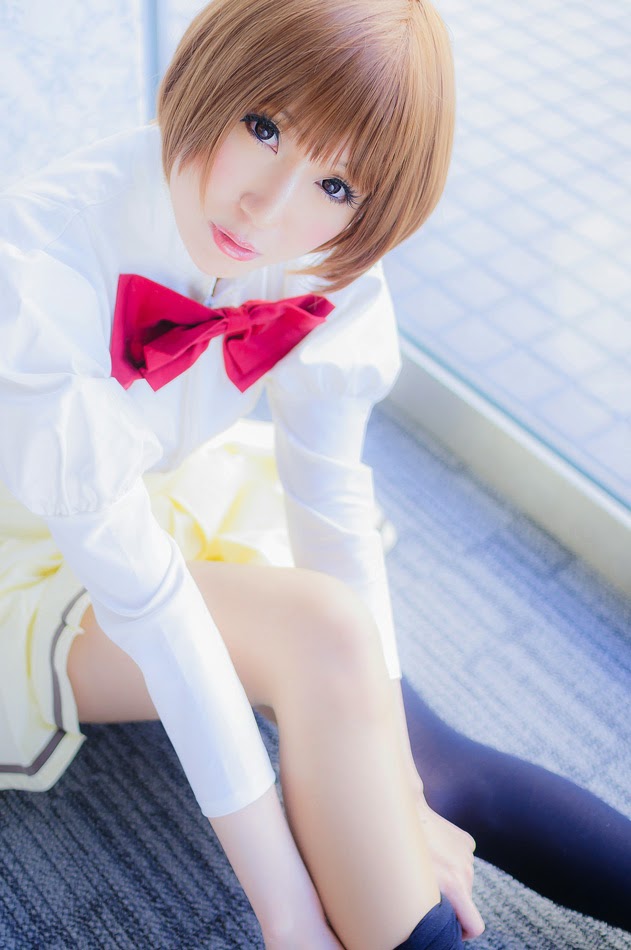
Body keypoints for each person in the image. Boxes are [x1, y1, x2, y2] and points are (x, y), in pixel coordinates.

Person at [1, 0, 629, 947]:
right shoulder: (36, 268)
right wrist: (287, 915)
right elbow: (152, 611)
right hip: (22, 553)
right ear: (211, 68)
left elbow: (328, 495)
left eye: (335, 183)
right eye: (263, 127)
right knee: (319, 634)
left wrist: (403, 791)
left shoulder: (320, 253)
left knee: (425, 762)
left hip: (152, 501)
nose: (269, 208)